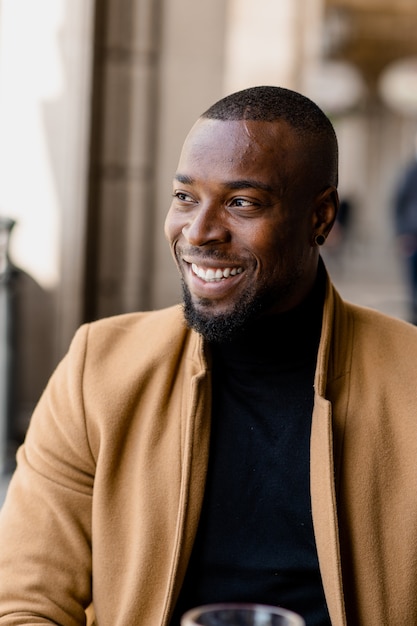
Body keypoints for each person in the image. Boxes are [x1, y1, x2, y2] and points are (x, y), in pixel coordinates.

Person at [1, 86, 417, 626]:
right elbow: (24, 603)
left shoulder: (409, 378)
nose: (198, 232)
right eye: (184, 197)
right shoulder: (97, 369)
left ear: (321, 218)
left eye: (242, 202)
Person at [394, 140, 417, 324]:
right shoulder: (412, 172)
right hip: (413, 234)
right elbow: (398, 202)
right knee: (413, 278)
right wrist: (401, 232)